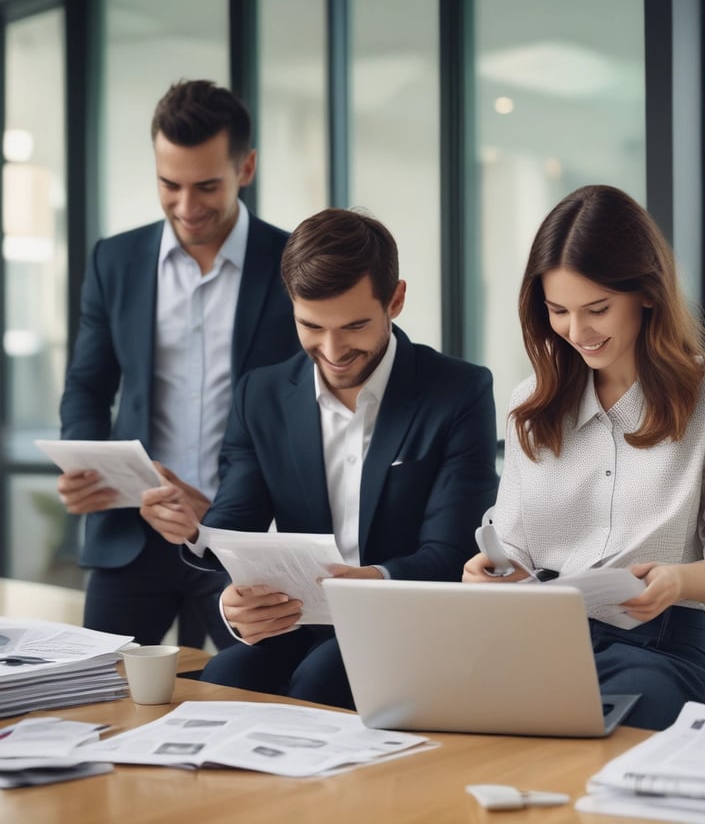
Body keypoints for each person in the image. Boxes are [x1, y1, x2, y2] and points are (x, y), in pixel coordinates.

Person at [140, 206, 499, 708]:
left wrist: (373, 581)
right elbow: (233, 527)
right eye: (311, 325)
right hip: (297, 622)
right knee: (219, 681)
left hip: (402, 622)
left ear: (395, 300)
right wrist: (230, 599)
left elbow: (452, 551)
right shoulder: (259, 396)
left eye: (354, 326)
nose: (332, 350)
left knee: (318, 681)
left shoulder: (458, 391)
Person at [463, 184, 705, 731]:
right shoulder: (530, 404)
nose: (577, 332)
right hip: (538, 639)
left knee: (610, 719)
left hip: (662, 649)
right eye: (558, 311)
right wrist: (490, 574)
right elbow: (513, 550)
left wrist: (680, 580)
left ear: (646, 293)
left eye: (597, 309)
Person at [57, 80, 301, 648]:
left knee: (258, 702)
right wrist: (85, 465)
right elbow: (87, 387)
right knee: (101, 693)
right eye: (170, 185)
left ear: (246, 168)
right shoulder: (114, 260)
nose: (186, 207)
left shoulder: (292, 263)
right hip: (131, 537)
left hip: (239, 542)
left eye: (206, 186)